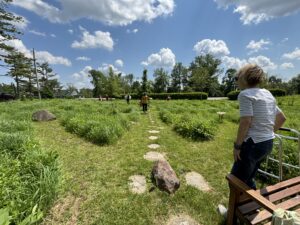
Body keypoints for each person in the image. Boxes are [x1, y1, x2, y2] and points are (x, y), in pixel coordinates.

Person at [231, 64, 286, 190]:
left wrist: (237, 146)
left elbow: (245, 121)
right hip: (267, 143)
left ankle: (233, 209)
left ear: (244, 78)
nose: (235, 80)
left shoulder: (245, 94)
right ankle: (252, 206)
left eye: (236, 77)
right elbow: (282, 118)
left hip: (252, 145)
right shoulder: (267, 94)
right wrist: (266, 133)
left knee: (235, 180)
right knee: (248, 177)